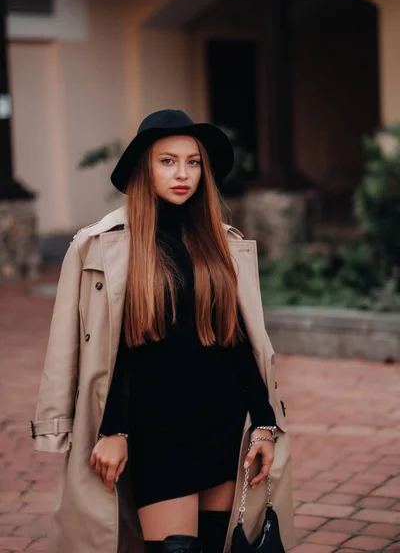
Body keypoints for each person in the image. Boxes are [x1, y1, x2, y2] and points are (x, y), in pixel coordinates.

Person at [30, 110, 294, 553]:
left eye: (193, 162)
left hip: (222, 425)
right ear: (144, 169)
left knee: (216, 544)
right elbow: (118, 352)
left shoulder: (221, 242)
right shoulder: (102, 245)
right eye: (167, 161)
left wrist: (264, 425)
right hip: (156, 432)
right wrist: (114, 429)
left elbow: (239, 341)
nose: (182, 174)